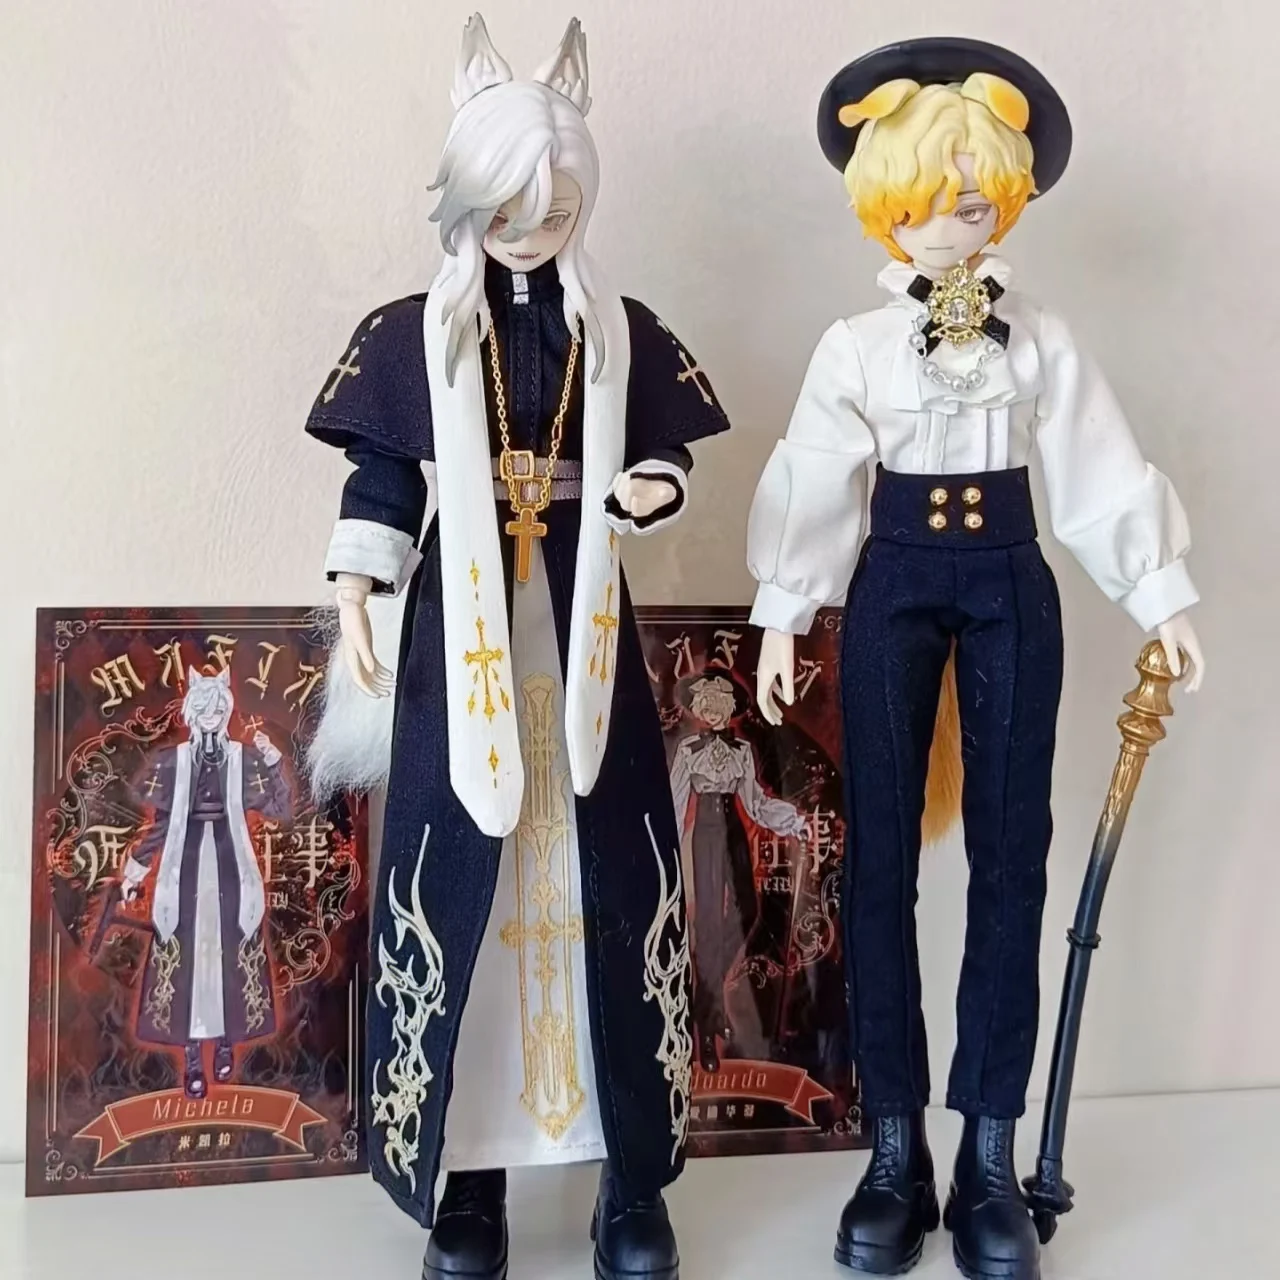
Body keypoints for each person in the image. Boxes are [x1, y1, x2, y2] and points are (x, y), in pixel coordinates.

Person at [746, 38, 1204, 1280]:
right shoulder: (854, 346)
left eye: (973, 196)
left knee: (1012, 863)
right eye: (925, 197)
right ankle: (892, 1149)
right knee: (876, 865)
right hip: (890, 586)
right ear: (881, 204)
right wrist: (785, 611)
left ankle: (988, 1151)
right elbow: (814, 479)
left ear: (1006, 198)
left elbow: (1097, 468)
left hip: (1008, 588)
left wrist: (1159, 593)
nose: (951, 217)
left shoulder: (1037, 337)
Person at [305, 16, 728, 1280]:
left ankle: (626, 1173)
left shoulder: (617, 326)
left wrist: (650, 489)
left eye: (553, 208)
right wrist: (358, 587)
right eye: (505, 210)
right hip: (462, 631)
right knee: (464, 894)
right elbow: (383, 476)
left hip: (585, 626)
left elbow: (666, 450)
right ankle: (470, 1171)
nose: (529, 230)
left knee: (606, 883)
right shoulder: (415, 329)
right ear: (464, 200)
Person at [123, 667, 289, 1099]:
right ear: (192, 712)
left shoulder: (241, 757)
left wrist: (273, 763)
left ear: (226, 709)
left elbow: (281, 809)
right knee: (189, 958)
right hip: (186, 865)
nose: (211, 715)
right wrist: (136, 869)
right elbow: (162, 825)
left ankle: (228, 1039)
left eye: (218, 708)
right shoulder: (175, 761)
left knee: (232, 950)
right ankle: (194, 1054)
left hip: (232, 866)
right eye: (204, 708)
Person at [668, 674, 805, 1071]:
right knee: (709, 923)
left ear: (730, 709)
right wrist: (664, 848)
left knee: (748, 911)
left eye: (719, 704)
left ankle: (704, 999)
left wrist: (793, 821)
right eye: (705, 704)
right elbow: (677, 801)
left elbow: (756, 802)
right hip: (705, 833)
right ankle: (708, 1026)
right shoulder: (688, 750)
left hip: (734, 831)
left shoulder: (742, 750)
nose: (712, 711)